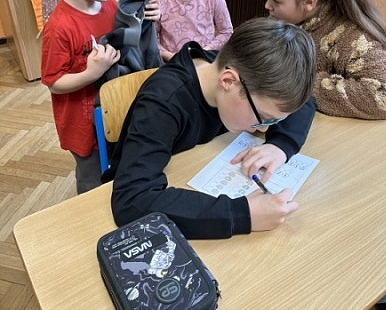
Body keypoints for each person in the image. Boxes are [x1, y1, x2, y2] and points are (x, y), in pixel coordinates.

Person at [263, 0, 386, 310]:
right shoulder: (293, 22)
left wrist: (304, 83)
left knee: (361, 240)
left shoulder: (350, 36)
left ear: (309, 2)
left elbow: (383, 97)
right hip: (311, 146)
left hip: (353, 164)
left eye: (275, 0)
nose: (267, 7)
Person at [104, 17, 317, 239]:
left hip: (192, 170)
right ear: (228, 81)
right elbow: (132, 200)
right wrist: (241, 214)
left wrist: (280, 145)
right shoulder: (162, 103)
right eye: (263, 118)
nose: (263, 130)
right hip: (129, 186)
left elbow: (305, 102)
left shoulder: (238, 69)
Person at [41, 0, 160, 194]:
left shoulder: (108, 5)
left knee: (118, 167)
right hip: (83, 128)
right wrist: (90, 73)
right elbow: (54, 82)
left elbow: (129, 40)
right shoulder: (59, 28)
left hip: (115, 111)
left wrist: (146, 17)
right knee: (92, 181)